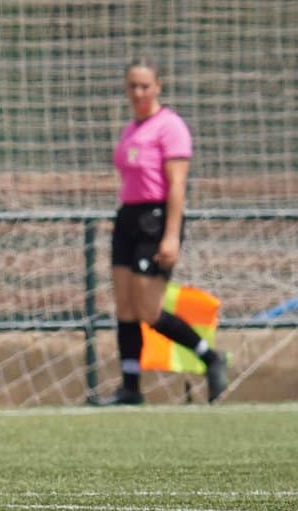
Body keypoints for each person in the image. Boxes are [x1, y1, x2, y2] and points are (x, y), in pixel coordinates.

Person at [93, 57, 227, 406]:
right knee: (123, 303)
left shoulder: (170, 126)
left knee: (148, 309)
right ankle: (130, 387)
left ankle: (208, 356)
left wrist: (170, 234)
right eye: (132, 86)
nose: (138, 92)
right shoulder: (130, 129)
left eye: (144, 86)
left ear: (158, 87)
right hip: (128, 217)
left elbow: (177, 184)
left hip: (156, 217)